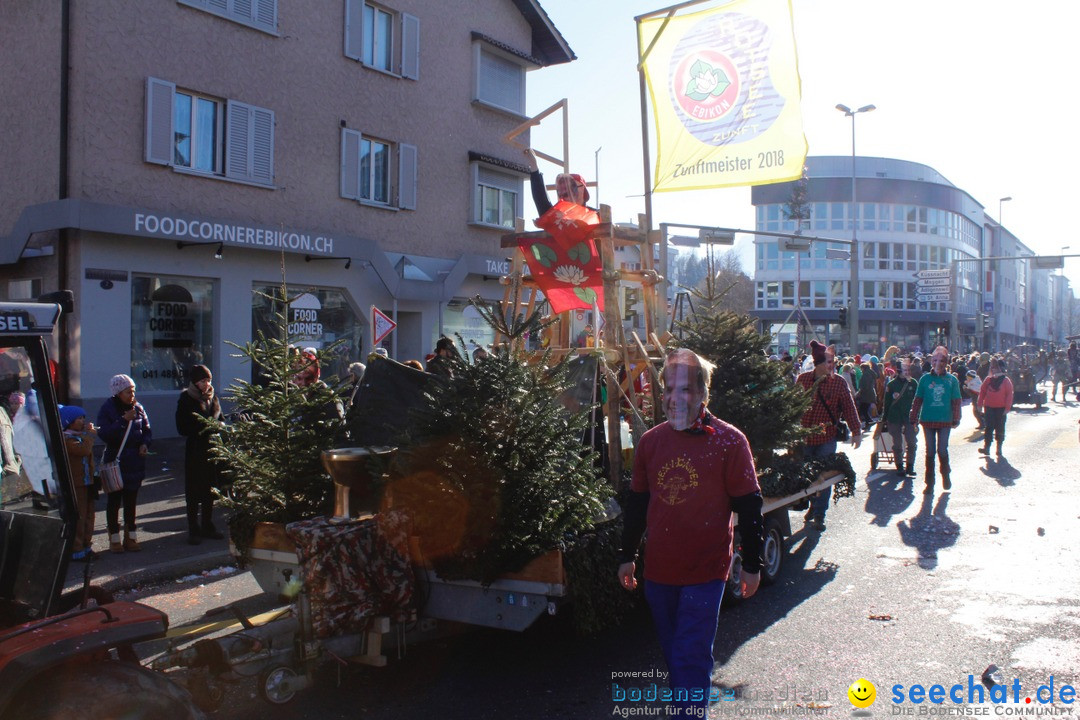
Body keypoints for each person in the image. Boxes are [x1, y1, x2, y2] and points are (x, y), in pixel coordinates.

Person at [617, 348, 764, 717]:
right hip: (660, 573)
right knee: (674, 655)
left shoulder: (729, 442)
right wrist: (626, 556)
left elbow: (748, 506)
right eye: (669, 389)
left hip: (706, 572)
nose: (673, 398)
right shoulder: (651, 442)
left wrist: (752, 564)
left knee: (690, 657)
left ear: (702, 395)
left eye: (684, 390)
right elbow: (637, 503)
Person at [795, 341, 862, 530]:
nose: (831, 366)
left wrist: (856, 432)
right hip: (805, 437)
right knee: (808, 475)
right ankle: (812, 505)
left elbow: (849, 408)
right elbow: (793, 407)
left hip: (827, 438)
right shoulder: (803, 380)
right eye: (828, 362)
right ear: (817, 364)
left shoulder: (839, 382)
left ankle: (819, 514)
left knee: (824, 476)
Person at [97, 374, 152, 553]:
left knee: (131, 501)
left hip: (135, 461)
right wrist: (123, 421)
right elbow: (104, 434)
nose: (132, 394)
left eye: (133, 390)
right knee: (114, 501)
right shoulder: (107, 409)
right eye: (128, 391)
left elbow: (147, 430)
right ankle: (114, 538)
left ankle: (131, 537)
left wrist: (145, 443)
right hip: (116, 460)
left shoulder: (139, 408)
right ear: (118, 393)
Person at [175, 364, 225, 545]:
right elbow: (181, 427)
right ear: (195, 382)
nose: (207, 384)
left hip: (212, 449)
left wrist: (220, 427)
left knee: (210, 490)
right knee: (194, 491)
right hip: (196, 450)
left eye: (209, 380)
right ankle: (193, 528)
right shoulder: (186, 399)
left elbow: (221, 419)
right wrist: (203, 427)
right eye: (203, 381)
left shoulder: (213, 397)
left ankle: (207, 525)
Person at [909, 348, 961, 494]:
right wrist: (913, 417)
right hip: (928, 419)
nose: (938, 363)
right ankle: (929, 483)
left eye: (942, 360)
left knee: (942, 450)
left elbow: (956, 401)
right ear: (931, 362)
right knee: (930, 451)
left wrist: (956, 418)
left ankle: (945, 474)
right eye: (935, 360)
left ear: (946, 363)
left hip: (945, 420)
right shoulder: (925, 379)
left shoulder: (952, 380)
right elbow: (918, 399)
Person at [61, 405, 98, 561]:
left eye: (83, 418)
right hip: (77, 484)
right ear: (69, 422)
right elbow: (83, 450)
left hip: (88, 482)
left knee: (90, 515)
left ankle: (87, 545)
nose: (82, 421)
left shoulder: (80, 436)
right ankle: (77, 549)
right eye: (79, 419)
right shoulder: (68, 439)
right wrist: (90, 435)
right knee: (80, 516)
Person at [882, 359, 918, 477]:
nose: (907, 372)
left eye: (908, 370)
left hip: (910, 417)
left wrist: (917, 417)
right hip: (894, 417)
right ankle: (899, 466)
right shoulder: (891, 385)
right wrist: (884, 418)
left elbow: (918, 402)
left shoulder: (913, 383)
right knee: (897, 444)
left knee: (912, 443)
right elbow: (886, 403)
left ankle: (910, 466)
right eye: (904, 370)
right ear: (898, 371)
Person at [977, 357, 1014, 458]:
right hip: (989, 408)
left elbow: (1009, 395)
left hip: (1001, 409)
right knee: (989, 427)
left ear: (1001, 369)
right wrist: (979, 404)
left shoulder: (1006, 381)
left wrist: (1007, 408)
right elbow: (982, 392)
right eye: (992, 368)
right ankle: (987, 447)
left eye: (996, 368)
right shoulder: (988, 380)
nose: (993, 370)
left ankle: (999, 449)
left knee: (1000, 428)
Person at [856, 359, 878, 431]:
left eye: (861, 368)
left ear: (863, 368)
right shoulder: (871, 373)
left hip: (866, 394)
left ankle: (869, 421)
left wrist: (860, 391)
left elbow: (864, 385)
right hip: (870, 393)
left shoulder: (866, 375)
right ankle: (869, 422)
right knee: (864, 409)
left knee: (863, 409)